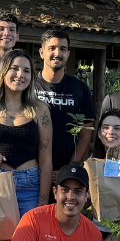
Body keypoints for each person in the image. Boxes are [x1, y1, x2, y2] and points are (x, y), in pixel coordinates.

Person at [0, 49, 52, 219]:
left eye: (27, 70)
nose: (20, 74)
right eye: (14, 68)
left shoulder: (40, 109)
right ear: (3, 72)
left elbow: (46, 160)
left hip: (29, 185)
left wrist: (42, 204)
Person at [33, 29, 95, 180]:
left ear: (68, 54)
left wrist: (70, 168)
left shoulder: (80, 88)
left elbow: (86, 134)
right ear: (42, 52)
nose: (57, 53)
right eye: (52, 48)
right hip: (31, 171)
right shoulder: (29, 87)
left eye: (63, 49)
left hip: (66, 172)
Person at [0, 12, 20, 93]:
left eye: (11, 30)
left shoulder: (22, 69)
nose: (6, 33)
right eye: (1, 29)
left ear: (17, 36)